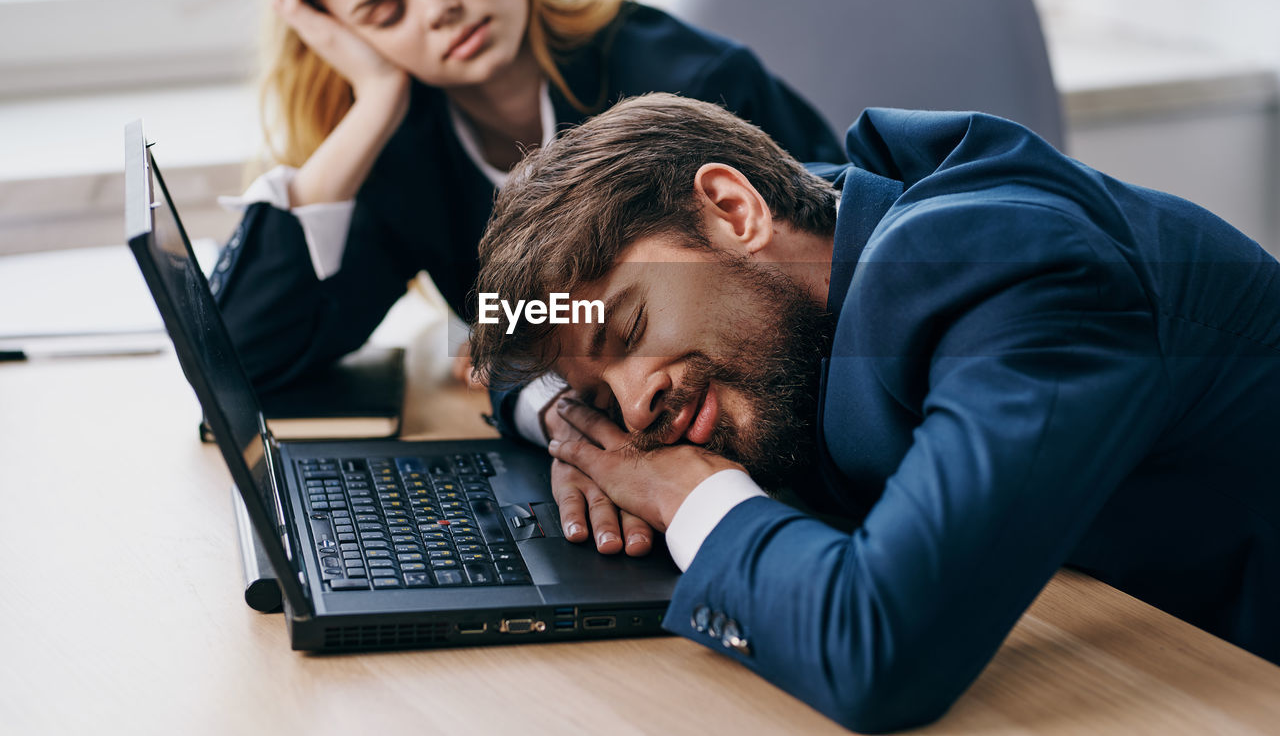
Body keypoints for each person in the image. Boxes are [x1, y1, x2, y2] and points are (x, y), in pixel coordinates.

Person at [468, 93, 1280, 732]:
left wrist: (685, 496)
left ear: (732, 209)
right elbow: (499, 352)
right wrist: (570, 425)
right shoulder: (810, 229)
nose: (637, 407)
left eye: (629, 329)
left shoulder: (1001, 262)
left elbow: (883, 648)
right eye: (605, 394)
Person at [208, 0, 843, 518]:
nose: (438, 8)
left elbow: (827, 277)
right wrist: (373, 97)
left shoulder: (689, 81)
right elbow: (235, 357)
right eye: (383, 11)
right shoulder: (406, 156)